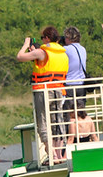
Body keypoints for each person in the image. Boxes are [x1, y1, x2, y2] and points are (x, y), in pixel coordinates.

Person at [16, 26, 69, 163]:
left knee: (43, 121)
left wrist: (26, 45)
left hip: (44, 91)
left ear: (46, 38)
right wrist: (35, 52)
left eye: (42, 38)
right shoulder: (62, 53)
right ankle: (58, 155)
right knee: (57, 122)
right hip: (59, 91)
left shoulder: (42, 52)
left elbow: (20, 57)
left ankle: (51, 154)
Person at [62, 26, 88, 117]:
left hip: (70, 84)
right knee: (81, 112)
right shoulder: (83, 49)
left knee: (68, 113)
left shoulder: (66, 49)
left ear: (68, 38)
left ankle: (69, 130)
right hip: (81, 84)